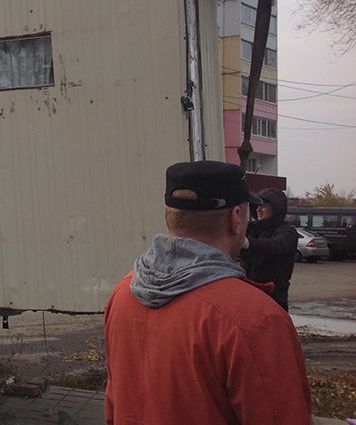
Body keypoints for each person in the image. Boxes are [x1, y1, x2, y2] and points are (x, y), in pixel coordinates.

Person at [104, 160, 311, 425]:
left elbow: (114, 404)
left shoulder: (123, 293)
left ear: (169, 216)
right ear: (236, 218)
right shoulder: (257, 319)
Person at [240, 187, 297, 311]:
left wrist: (247, 243)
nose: (259, 209)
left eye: (263, 206)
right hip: (248, 294)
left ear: (276, 208)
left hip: (274, 297)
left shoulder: (287, 231)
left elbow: (277, 246)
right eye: (257, 206)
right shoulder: (252, 229)